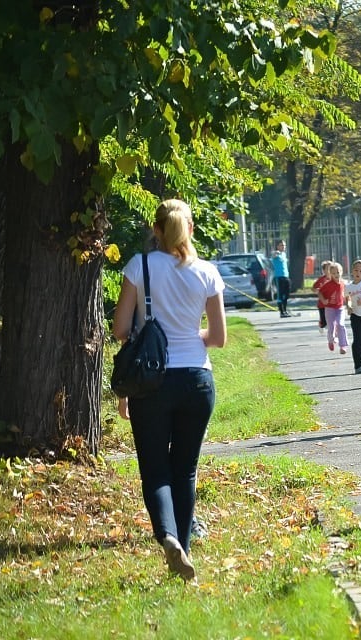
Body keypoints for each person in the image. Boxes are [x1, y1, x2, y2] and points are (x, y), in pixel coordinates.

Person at [112, 199, 227, 581]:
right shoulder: (207, 273)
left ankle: (168, 538)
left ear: (156, 230)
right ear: (190, 229)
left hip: (152, 382)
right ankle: (185, 548)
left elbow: (120, 329)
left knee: (155, 469)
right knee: (186, 470)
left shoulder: (140, 266)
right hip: (197, 379)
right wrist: (189, 335)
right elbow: (219, 337)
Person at [319, 262, 349, 354]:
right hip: (329, 309)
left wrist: (348, 304)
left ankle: (343, 345)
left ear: (341, 272)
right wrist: (324, 300)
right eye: (334, 273)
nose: (336, 275)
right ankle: (331, 341)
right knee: (331, 326)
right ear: (330, 274)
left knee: (341, 324)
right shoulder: (328, 284)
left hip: (340, 308)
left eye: (338, 272)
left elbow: (347, 295)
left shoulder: (344, 283)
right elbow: (320, 292)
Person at [271, 239, 293, 318]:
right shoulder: (276, 254)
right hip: (279, 277)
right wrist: (276, 252)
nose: (283, 247)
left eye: (284, 245)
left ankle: (285, 310)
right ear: (277, 246)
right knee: (280, 295)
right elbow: (273, 255)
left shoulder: (284, 254)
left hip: (286, 276)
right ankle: (281, 312)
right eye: (281, 245)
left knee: (286, 295)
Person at [312, 260, 332, 335]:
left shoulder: (335, 279)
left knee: (331, 319)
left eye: (331, 268)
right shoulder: (321, 280)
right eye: (328, 269)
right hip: (322, 304)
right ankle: (321, 324)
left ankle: (333, 332)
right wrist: (316, 290)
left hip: (331, 304)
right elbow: (313, 288)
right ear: (324, 270)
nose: (330, 271)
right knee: (324, 322)